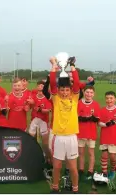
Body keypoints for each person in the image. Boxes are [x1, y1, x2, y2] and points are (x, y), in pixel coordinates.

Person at [49, 56, 80, 193]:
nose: (64, 92)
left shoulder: (74, 98)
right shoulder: (55, 99)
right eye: (62, 90)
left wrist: (72, 66)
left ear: (70, 91)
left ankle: (75, 188)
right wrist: (54, 65)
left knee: (73, 167)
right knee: (57, 166)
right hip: (58, 137)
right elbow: (52, 83)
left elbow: (77, 83)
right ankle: (55, 187)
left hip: (72, 136)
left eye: (67, 90)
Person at [98, 91, 116, 180]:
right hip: (104, 137)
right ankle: (104, 172)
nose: (109, 100)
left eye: (111, 98)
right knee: (104, 155)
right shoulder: (102, 110)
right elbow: (99, 123)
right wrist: (105, 124)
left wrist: (114, 122)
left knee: (113, 156)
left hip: (114, 137)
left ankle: (113, 170)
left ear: (115, 99)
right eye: (107, 98)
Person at [77, 86, 101, 180]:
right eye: (87, 92)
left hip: (91, 133)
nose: (89, 94)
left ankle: (90, 170)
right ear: (83, 92)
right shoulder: (79, 103)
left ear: (93, 94)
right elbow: (76, 116)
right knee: (81, 152)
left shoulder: (96, 104)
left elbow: (97, 118)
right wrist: (83, 118)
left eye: (91, 92)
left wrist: (93, 118)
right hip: (80, 132)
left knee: (91, 153)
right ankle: (81, 169)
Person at [28, 80, 52, 163]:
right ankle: (34, 155)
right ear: (37, 87)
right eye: (39, 86)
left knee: (45, 143)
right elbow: (28, 108)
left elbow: (48, 110)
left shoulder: (47, 98)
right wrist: (29, 103)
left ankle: (48, 158)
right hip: (34, 120)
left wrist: (40, 109)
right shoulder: (33, 96)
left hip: (43, 121)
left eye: (43, 86)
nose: (41, 88)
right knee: (30, 139)